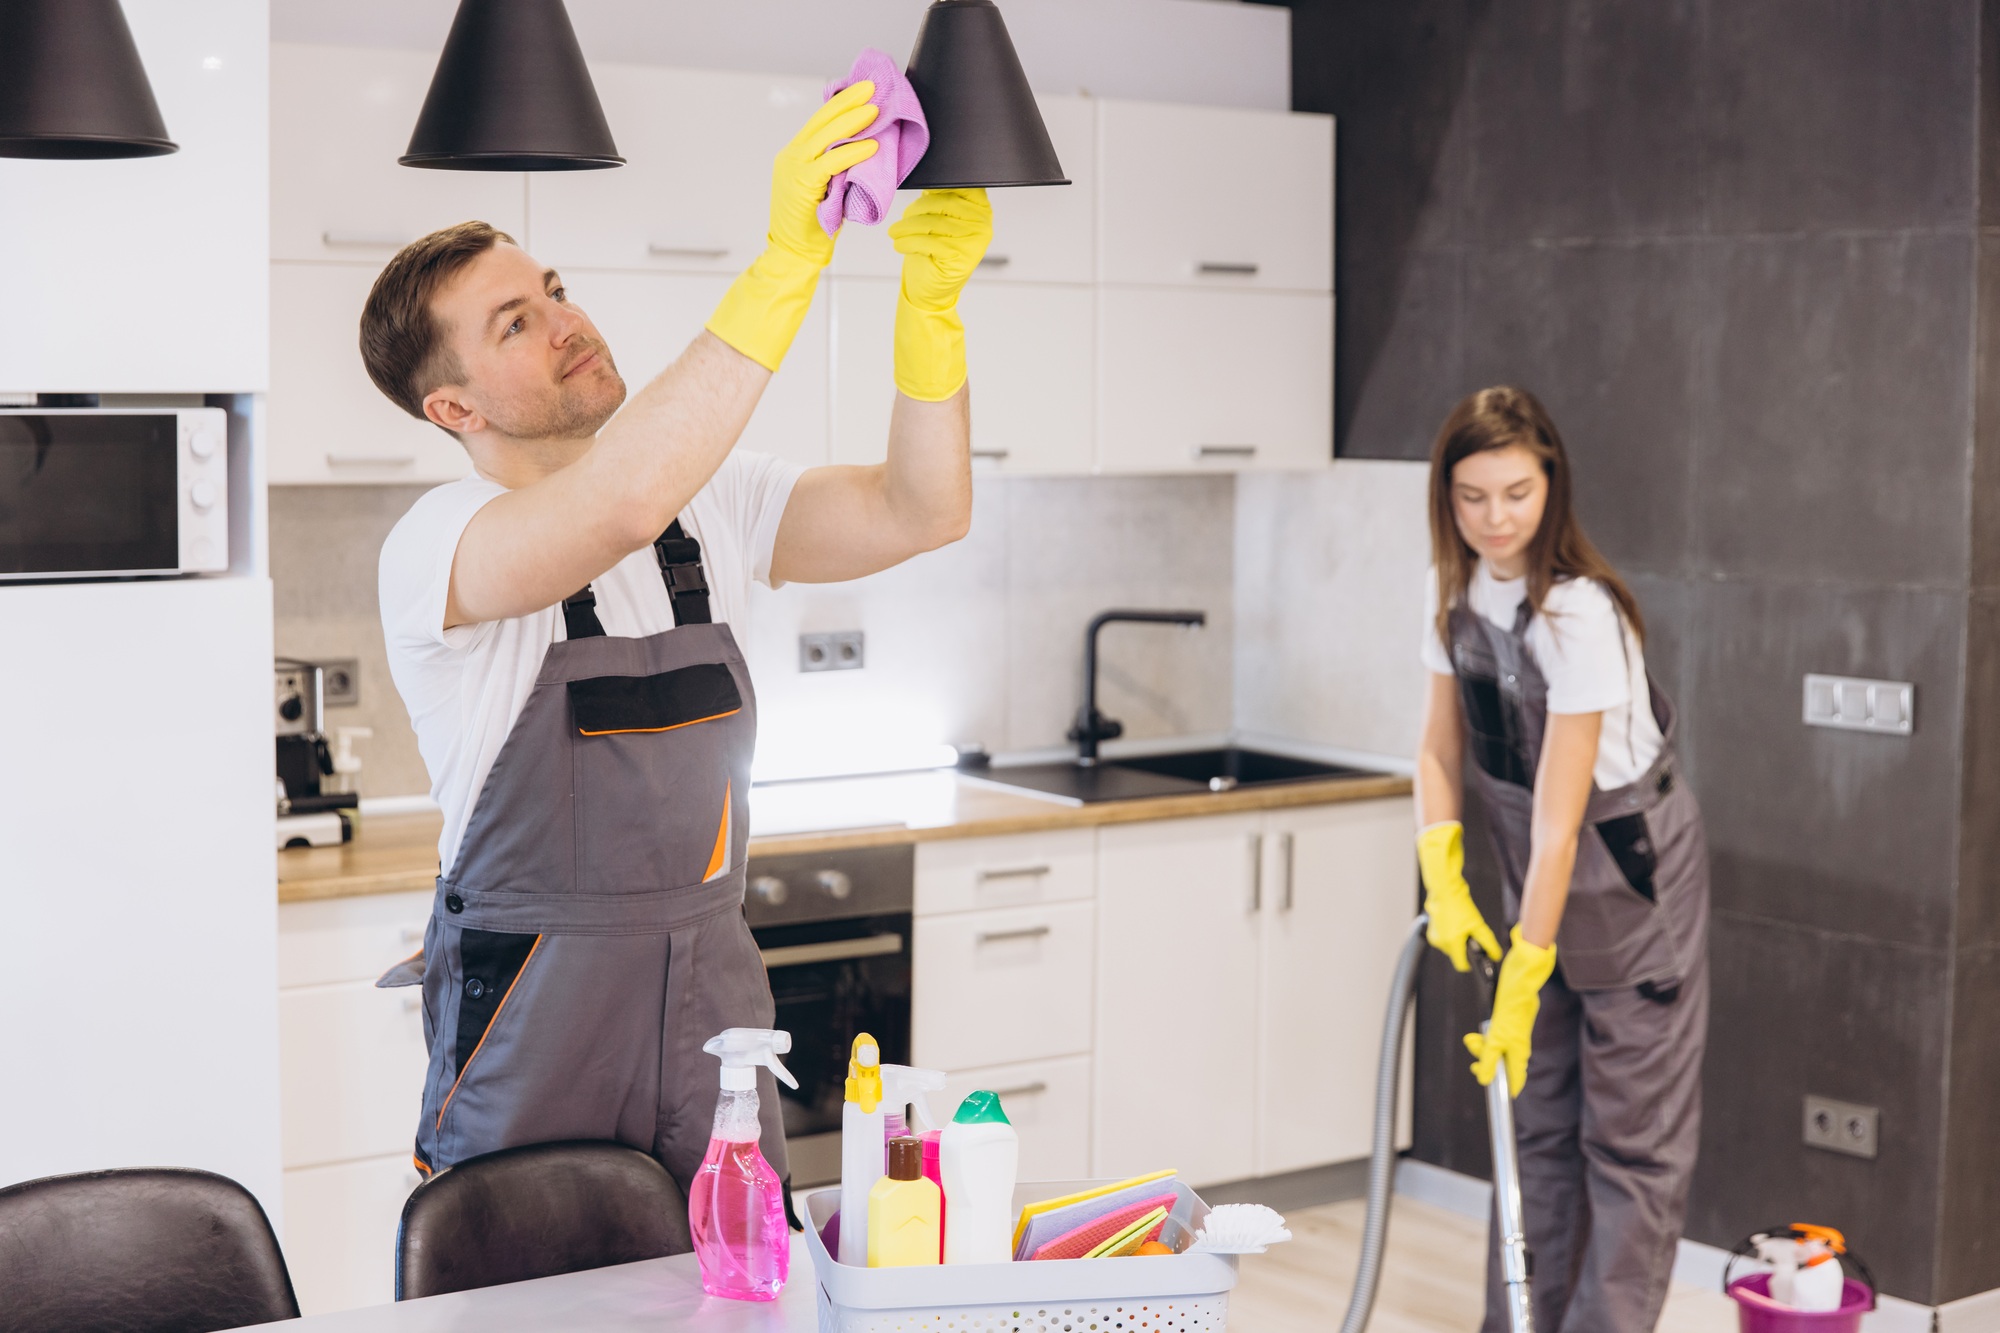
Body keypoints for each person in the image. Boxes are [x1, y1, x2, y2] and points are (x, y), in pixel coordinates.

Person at [360, 84, 991, 1196]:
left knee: (736, 1270)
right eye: (515, 323)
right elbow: (618, 505)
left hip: (713, 1000)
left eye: (554, 291)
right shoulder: (440, 544)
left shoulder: (715, 502)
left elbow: (920, 509)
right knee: (535, 1281)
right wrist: (786, 261)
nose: (566, 322)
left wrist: (930, 308)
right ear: (453, 409)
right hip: (534, 1017)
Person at [1413, 387, 1710, 1332]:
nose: (1495, 518)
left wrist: (1527, 966)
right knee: (1535, 1130)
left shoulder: (1581, 615)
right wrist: (1442, 873)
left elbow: (1559, 820)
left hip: (1627, 894)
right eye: (1472, 496)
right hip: (1532, 894)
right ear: (1447, 496)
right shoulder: (1456, 597)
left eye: (1517, 493)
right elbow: (1437, 754)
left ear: (1553, 486)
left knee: (1629, 1148)